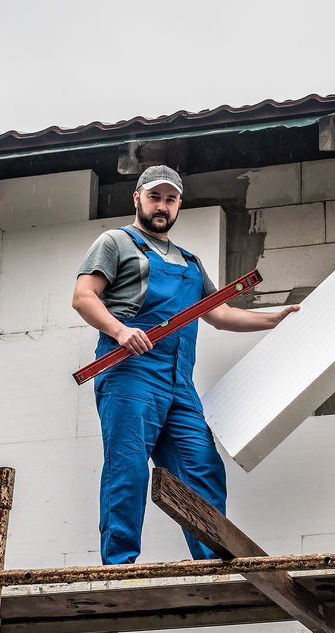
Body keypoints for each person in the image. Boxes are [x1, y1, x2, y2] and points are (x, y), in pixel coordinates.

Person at [72, 165, 298, 565]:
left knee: (201, 467)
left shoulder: (189, 261)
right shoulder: (116, 242)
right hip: (131, 373)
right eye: (155, 197)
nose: (162, 206)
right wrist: (121, 331)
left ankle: (213, 560)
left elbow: (219, 314)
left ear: (179, 205)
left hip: (178, 382)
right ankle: (119, 564)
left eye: (170, 199)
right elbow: (84, 296)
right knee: (128, 468)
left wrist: (275, 317)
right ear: (137, 198)